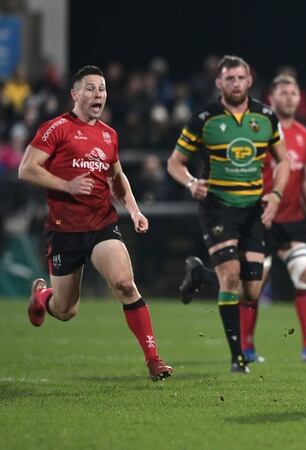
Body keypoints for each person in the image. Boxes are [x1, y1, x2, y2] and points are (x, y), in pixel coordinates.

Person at [18, 65, 172, 381]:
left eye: (101, 88)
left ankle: (154, 360)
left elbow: (117, 177)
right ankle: (42, 298)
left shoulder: (108, 134)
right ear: (75, 94)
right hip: (64, 231)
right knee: (65, 310)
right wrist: (67, 185)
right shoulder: (56, 128)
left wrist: (134, 209)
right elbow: (26, 169)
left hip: (102, 225)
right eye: (90, 88)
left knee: (125, 284)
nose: (97, 94)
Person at [179, 74, 306, 364]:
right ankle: (247, 348)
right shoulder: (258, 128)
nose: (290, 98)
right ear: (272, 98)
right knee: (250, 285)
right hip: (259, 217)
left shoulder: (303, 133)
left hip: (291, 219)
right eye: (284, 93)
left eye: (294, 93)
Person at [166, 55, 289, 373]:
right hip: (218, 208)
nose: (236, 83)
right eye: (229, 78)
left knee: (251, 290)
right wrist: (192, 183)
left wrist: (275, 195)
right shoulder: (204, 119)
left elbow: (283, 161)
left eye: (241, 78)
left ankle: (200, 275)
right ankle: (237, 358)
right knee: (231, 277)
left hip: (253, 209)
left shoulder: (265, 117)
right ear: (219, 83)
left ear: (250, 81)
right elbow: (174, 163)